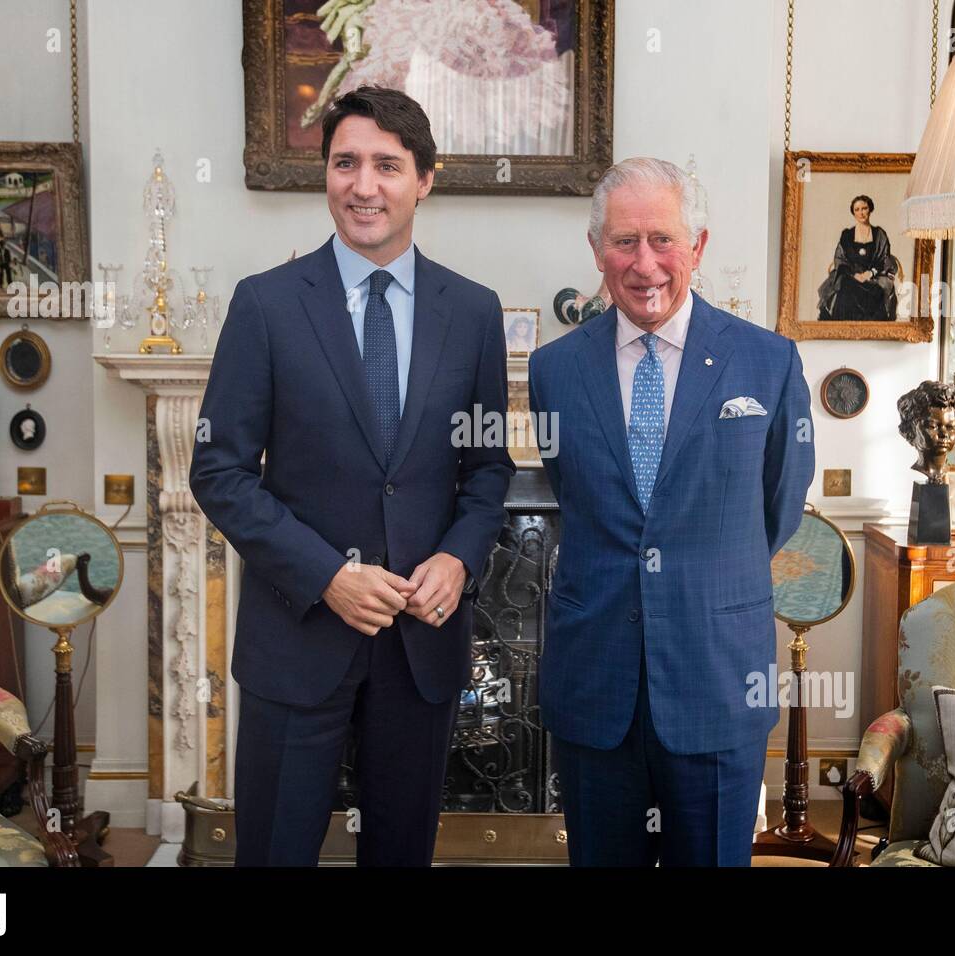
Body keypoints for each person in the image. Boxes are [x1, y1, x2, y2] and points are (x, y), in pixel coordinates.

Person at [189, 86, 514, 866]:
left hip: (421, 643)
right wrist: (327, 574)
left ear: (425, 179)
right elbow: (219, 470)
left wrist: (459, 558)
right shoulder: (264, 305)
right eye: (345, 163)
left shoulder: (473, 312)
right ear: (326, 174)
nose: (363, 185)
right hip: (297, 635)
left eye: (386, 165)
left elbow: (488, 466)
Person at [528, 157, 815, 866]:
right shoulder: (553, 370)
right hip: (597, 681)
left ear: (699, 247)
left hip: (718, 680)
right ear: (597, 252)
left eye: (663, 239)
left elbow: (776, 506)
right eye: (624, 242)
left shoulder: (768, 362)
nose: (644, 262)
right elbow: (578, 495)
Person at [816, 194, 898, 322]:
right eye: (857, 210)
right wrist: (854, 275)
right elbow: (840, 259)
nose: (861, 213)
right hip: (850, 275)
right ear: (853, 213)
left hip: (874, 277)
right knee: (845, 288)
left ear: (870, 209)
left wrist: (870, 273)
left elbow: (884, 259)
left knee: (876, 293)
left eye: (864, 208)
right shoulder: (847, 235)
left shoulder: (879, 234)